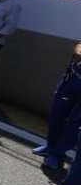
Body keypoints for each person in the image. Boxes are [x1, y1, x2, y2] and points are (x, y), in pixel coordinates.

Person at [32, 42, 81, 170]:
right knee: (56, 112)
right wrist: (78, 51)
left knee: (75, 123)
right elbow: (79, 45)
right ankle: (50, 146)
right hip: (73, 77)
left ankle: (57, 154)